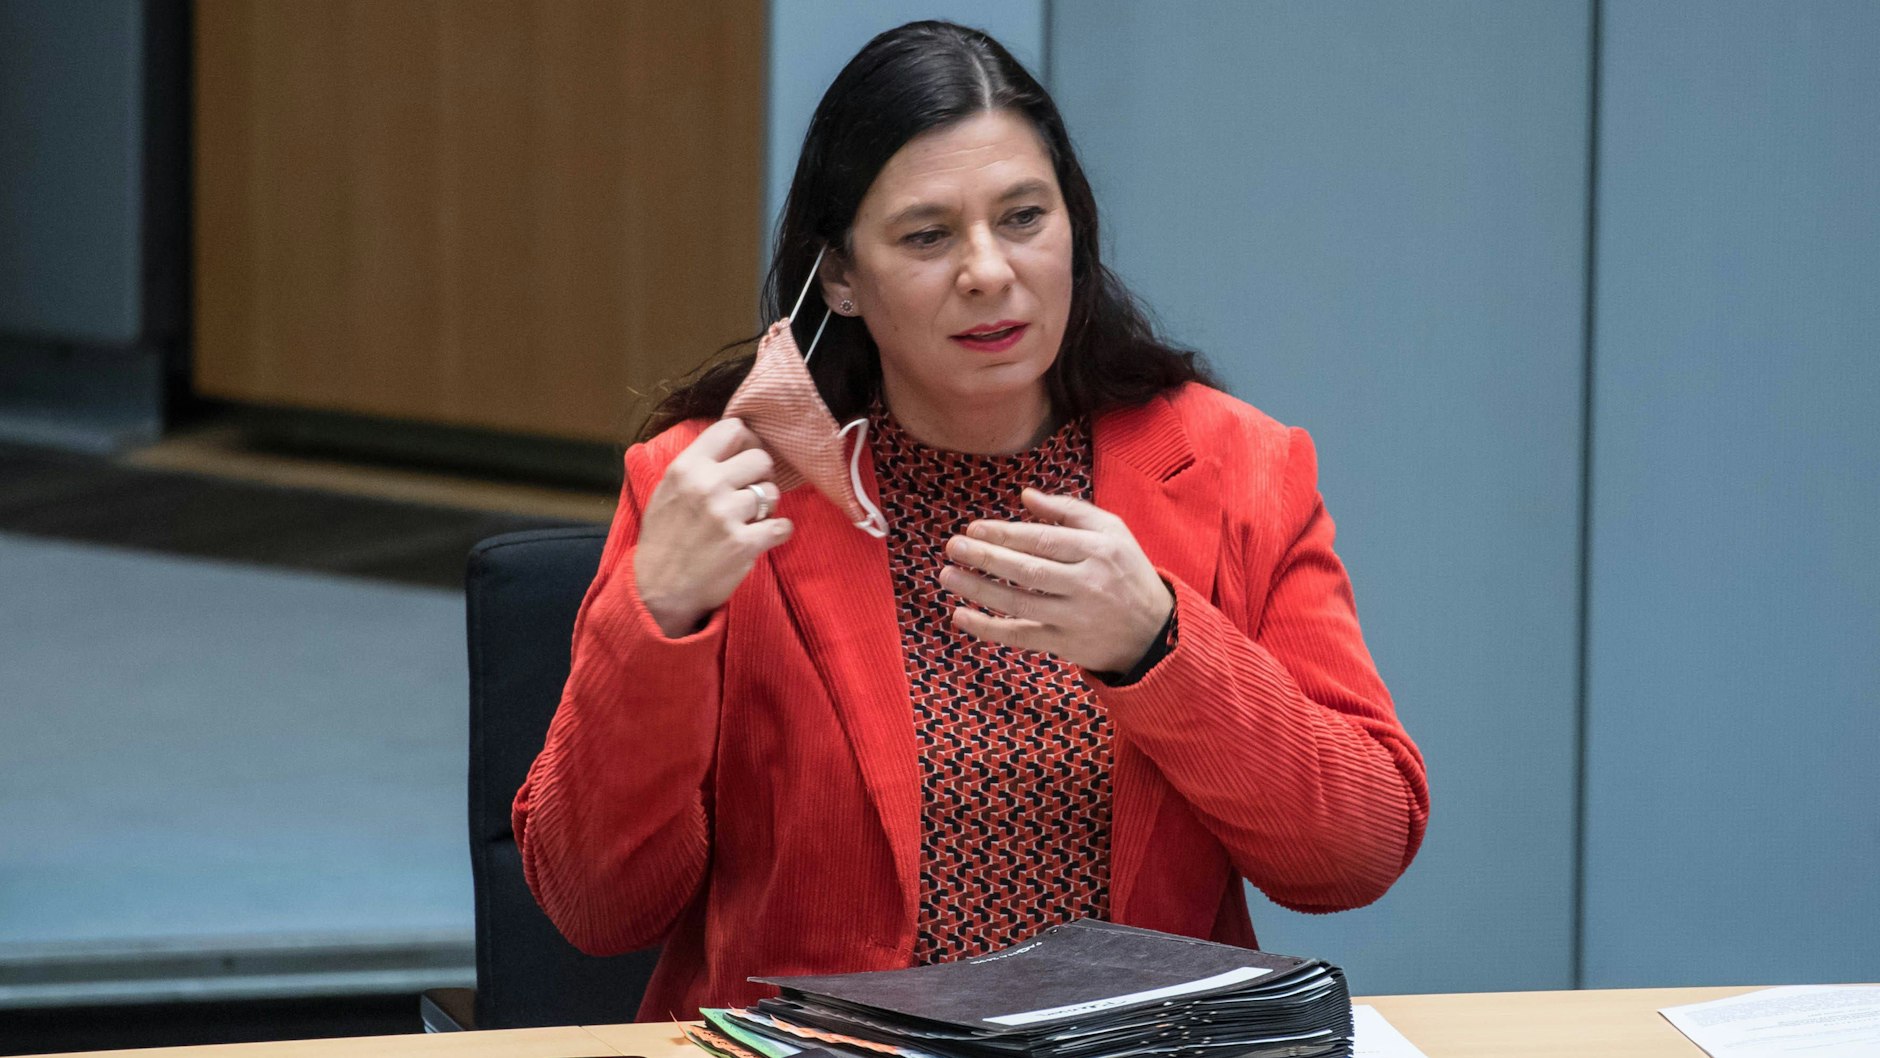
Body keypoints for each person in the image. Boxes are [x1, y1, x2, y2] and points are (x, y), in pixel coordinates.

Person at [513, 20, 1428, 1021]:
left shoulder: (1236, 466)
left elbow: (1355, 851)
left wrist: (1158, 643)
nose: (988, 270)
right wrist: (659, 615)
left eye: (1023, 216)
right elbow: (596, 905)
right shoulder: (714, 481)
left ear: (1073, 228)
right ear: (840, 278)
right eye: (926, 235)